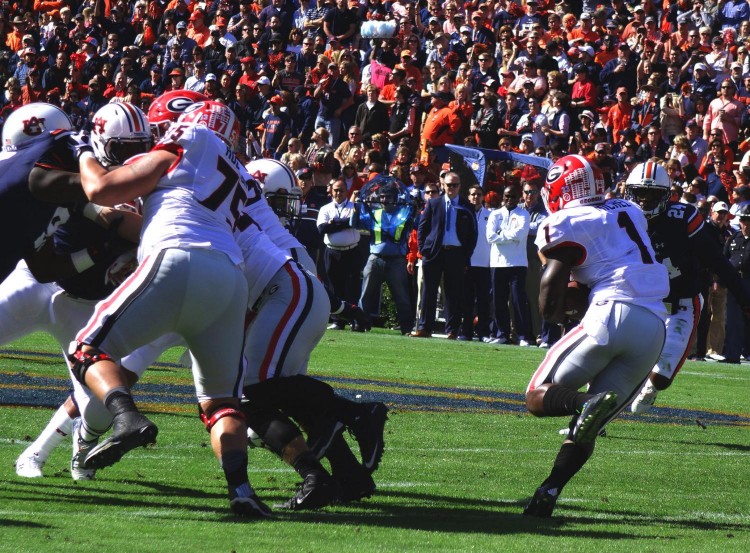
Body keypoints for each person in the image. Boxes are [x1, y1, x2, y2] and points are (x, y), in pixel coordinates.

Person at [72, 101, 270, 518]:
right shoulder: (237, 169)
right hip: (229, 277)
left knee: (85, 349)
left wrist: (83, 153)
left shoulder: (192, 138)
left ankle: (125, 417)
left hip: (179, 258)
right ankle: (242, 490)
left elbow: (102, 189)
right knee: (222, 403)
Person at [524, 154, 669, 517]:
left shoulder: (566, 220)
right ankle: (550, 489)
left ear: (558, 188)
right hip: (653, 326)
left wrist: (552, 315)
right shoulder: (630, 210)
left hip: (611, 312)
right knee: (587, 429)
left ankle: (584, 402)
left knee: (537, 397)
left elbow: (551, 279)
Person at [625, 161, 749, 413]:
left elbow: (716, 260)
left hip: (679, 304)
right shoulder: (622, 216)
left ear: (665, 195)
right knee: (613, 362)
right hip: (639, 302)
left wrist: (744, 298)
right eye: (640, 193)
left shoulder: (682, 218)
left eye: (652, 194)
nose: (645, 200)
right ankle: (592, 415)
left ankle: (650, 387)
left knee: (661, 376)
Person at [413, 172, 477, 339]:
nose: (451, 188)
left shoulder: (466, 206)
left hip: (456, 254)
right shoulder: (434, 203)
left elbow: (473, 234)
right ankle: (424, 327)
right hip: (434, 253)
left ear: (460, 186)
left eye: (455, 185)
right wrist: (424, 250)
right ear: (443, 185)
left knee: (453, 293)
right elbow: (422, 228)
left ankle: (452, 330)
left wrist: (465, 256)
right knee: (429, 291)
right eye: (449, 185)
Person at [352, 176, 415, 335]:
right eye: (382, 197)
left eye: (388, 197)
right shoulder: (374, 213)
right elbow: (354, 224)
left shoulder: (404, 212)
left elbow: (416, 223)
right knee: (365, 294)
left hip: (397, 261)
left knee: (401, 296)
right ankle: (361, 324)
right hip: (375, 259)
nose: (384, 199)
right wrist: (355, 207)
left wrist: (414, 207)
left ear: (394, 198)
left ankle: (406, 328)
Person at [487, 185, 533, 346]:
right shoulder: (495, 214)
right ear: (503, 197)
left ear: (518, 197)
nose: (509, 199)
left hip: (517, 262)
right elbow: (490, 236)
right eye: (507, 196)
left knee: (518, 300)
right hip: (497, 262)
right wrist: (508, 236)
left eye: (512, 196)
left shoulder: (523, 214)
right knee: (498, 299)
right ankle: (501, 334)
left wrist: (501, 235)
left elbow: (520, 234)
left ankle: (522, 336)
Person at [317, 179, 361, 330]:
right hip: (332, 252)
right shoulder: (325, 208)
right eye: (335, 190)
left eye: (341, 190)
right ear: (331, 191)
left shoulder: (354, 207)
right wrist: (343, 223)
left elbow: (354, 223)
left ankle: (355, 320)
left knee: (352, 286)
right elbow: (322, 229)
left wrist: (334, 224)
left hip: (351, 251)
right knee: (334, 287)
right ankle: (338, 321)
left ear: (346, 191)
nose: (338, 193)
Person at [459, 185, 492, 342]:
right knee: (466, 300)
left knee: (483, 300)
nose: (475, 197)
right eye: (473, 194)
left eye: (479, 194)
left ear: (483, 196)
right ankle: (466, 332)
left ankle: (483, 332)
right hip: (467, 263)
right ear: (468, 196)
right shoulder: (463, 213)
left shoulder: (491, 215)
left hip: (485, 264)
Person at [722, 205, 750, 363]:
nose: (745, 224)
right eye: (743, 220)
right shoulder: (734, 238)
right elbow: (724, 259)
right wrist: (721, 280)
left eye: (748, 220)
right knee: (733, 319)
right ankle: (732, 355)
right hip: (735, 282)